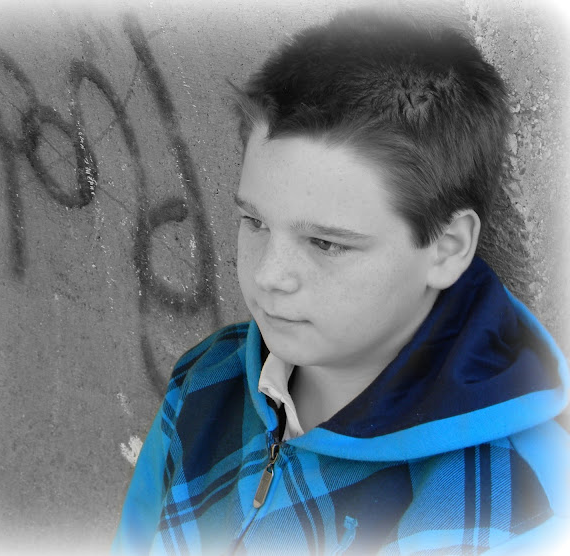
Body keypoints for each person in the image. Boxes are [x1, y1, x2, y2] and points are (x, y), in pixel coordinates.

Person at [112, 7, 570, 555]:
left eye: (326, 243)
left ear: (447, 247)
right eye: (254, 221)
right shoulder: (207, 379)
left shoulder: (515, 508)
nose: (267, 275)